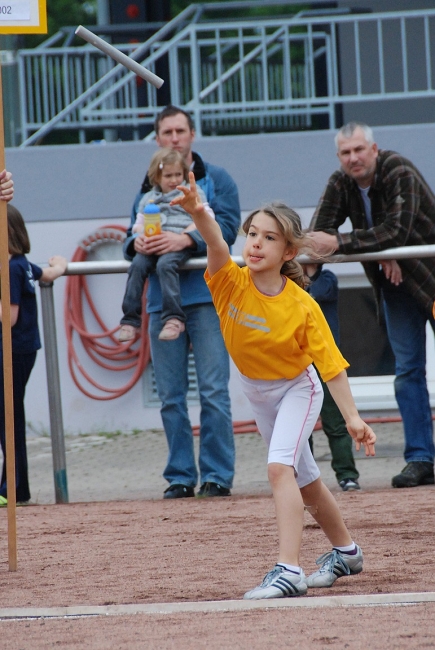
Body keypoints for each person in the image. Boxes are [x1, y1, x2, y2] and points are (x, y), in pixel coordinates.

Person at [171, 174, 376, 599]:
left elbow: (331, 366)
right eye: (252, 234)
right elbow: (214, 243)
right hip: (257, 390)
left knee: (279, 468)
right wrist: (198, 211)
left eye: (269, 237)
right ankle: (347, 552)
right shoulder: (230, 281)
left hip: (297, 389)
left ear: (289, 251)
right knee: (304, 480)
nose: (256, 243)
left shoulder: (303, 305)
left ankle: (289, 571)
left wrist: (354, 417)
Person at [309, 121, 435, 489]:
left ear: (374, 149)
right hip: (396, 286)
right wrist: (377, 251)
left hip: (431, 277)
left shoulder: (399, 169)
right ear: (339, 157)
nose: (353, 158)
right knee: (408, 371)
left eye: (359, 150)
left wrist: (356, 244)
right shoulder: (341, 182)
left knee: (410, 370)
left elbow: (396, 230)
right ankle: (421, 459)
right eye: (346, 153)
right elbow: (319, 234)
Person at [123, 106, 240, 499]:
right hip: (160, 301)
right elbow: (130, 233)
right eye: (167, 132)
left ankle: (217, 476)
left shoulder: (217, 178)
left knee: (213, 390)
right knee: (171, 396)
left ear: (192, 134)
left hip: (207, 297)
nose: (174, 138)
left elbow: (228, 228)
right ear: (158, 138)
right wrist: (135, 243)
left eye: (180, 130)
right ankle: (179, 476)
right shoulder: (148, 184)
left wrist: (186, 240)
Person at [0, 204, 67, 506]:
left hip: (12, 351)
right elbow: (48, 274)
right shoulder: (22, 264)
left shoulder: (11, 268)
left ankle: (11, 488)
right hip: (23, 350)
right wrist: (60, 264)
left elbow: (9, 316)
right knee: (11, 416)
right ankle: (17, 487)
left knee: (8, 419)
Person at [119, 148, 214, 343]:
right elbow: (137, 225)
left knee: (165, 265)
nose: (174, 180)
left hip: (179, 243)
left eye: (178, 175)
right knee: (137, 266)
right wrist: (139, 238)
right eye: (168, 175)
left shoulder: (192, 193)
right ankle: (130, 319)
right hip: (153, 242)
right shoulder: (148, 198)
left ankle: (173, 318)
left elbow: (207, 217)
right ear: (156, 177)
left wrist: (187, 234)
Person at [304, 263, 360, 491]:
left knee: (336, 423)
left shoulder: (327, 279)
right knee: (302, 428)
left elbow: (313, 295)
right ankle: (302, 477)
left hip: (325, 364)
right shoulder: (286, 280)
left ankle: (347, 475)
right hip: (300, 364)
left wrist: (307, 271)